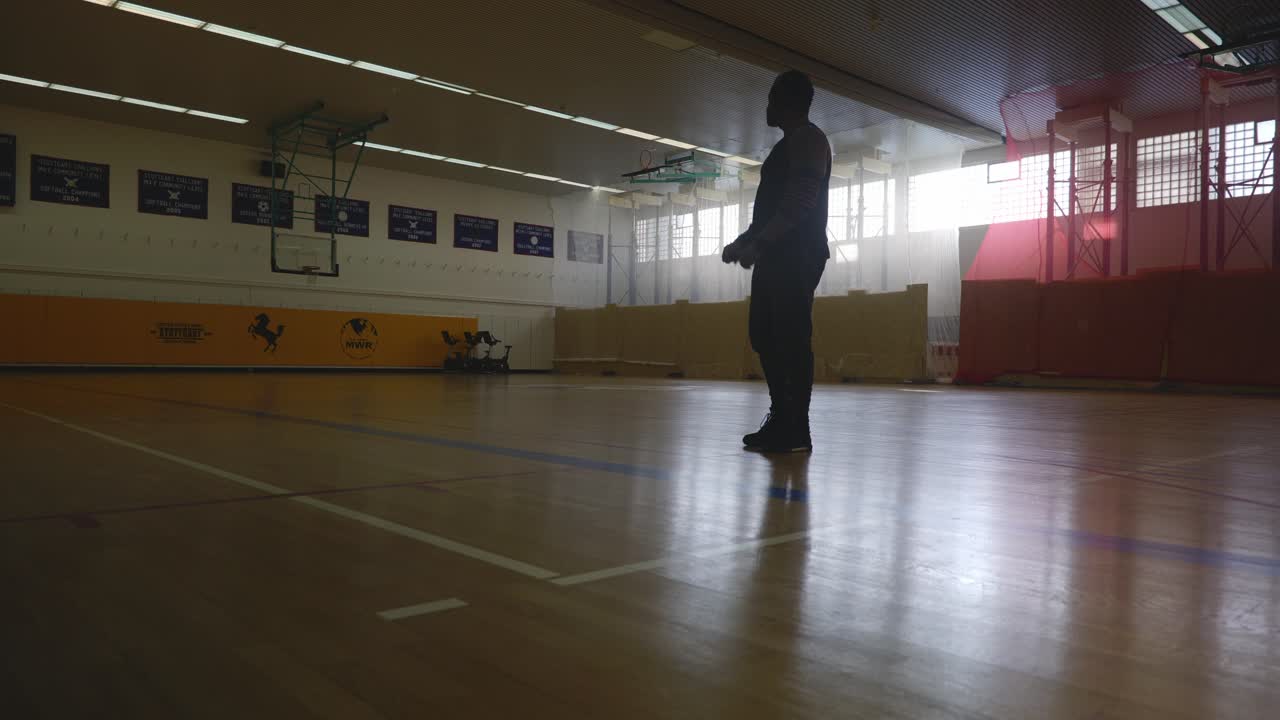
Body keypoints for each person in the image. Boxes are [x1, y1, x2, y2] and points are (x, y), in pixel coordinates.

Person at [722, 70, 831, 453]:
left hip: (797, 255)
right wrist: (743, 242)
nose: (766, 106)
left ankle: (796, 430)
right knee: (764, 335)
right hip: (775, 254)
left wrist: (761, 244)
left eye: (771, 99)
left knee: (792, 339)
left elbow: (801, 202)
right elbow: (767, 213)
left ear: (787, 102)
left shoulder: (810, 140)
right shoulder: (782, 149)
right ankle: (782, 418)